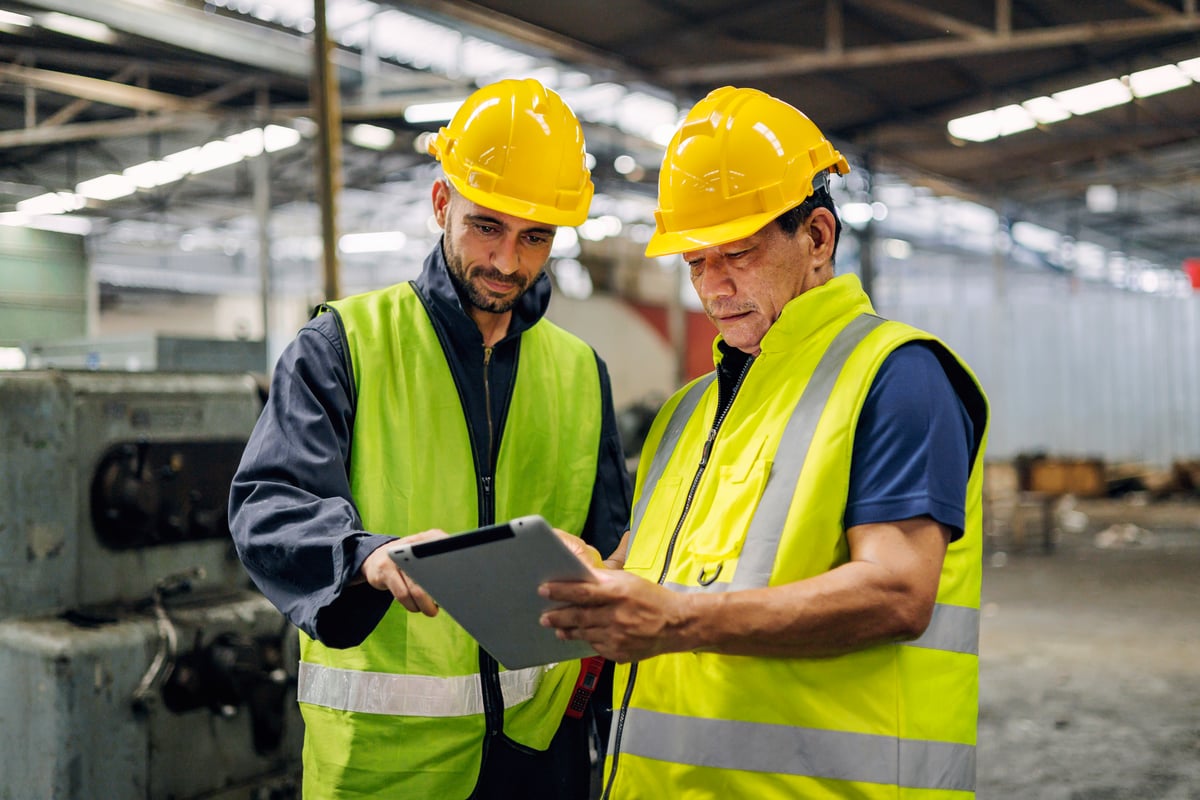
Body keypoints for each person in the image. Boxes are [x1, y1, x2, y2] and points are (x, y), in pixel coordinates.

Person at [540, 86, 990, 799]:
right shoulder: (689, 409)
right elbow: (658, 571)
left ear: (817, 237)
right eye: (694, 263)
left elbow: (899, 593)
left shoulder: (896, 376)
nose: (713, 287)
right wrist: (592, 575)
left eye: (738, 255)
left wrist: (679, 620)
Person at [228, 78, 631, 800]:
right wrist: (370, 556)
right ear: (442, 202)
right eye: (488, 226)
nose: (508, 261)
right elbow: (270, 505)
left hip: (541, 758)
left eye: (534, 237)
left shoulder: (581, 372)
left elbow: (614, 543)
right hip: (387, 767)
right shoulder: (342, 345)